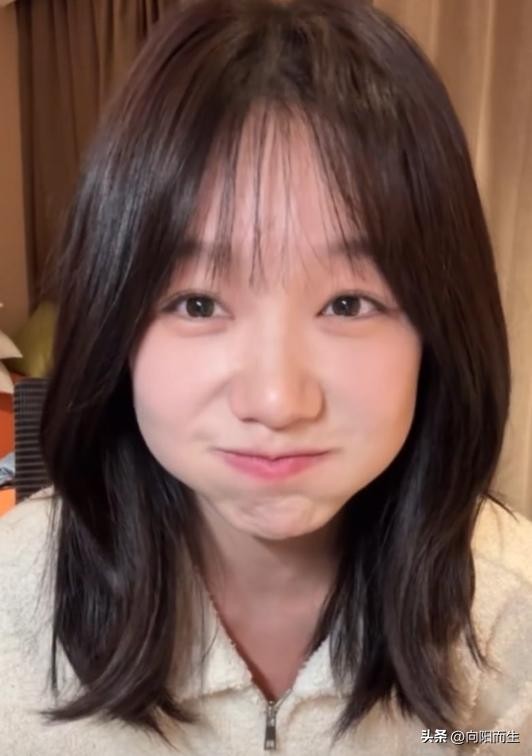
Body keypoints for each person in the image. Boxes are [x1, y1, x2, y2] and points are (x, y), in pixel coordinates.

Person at [1, 0, 532, 753]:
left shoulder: (512, 625)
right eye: (197, 302)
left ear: (440, 330)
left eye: (349, 303)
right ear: (115, 323)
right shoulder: (12, 608)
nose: (277, 401)